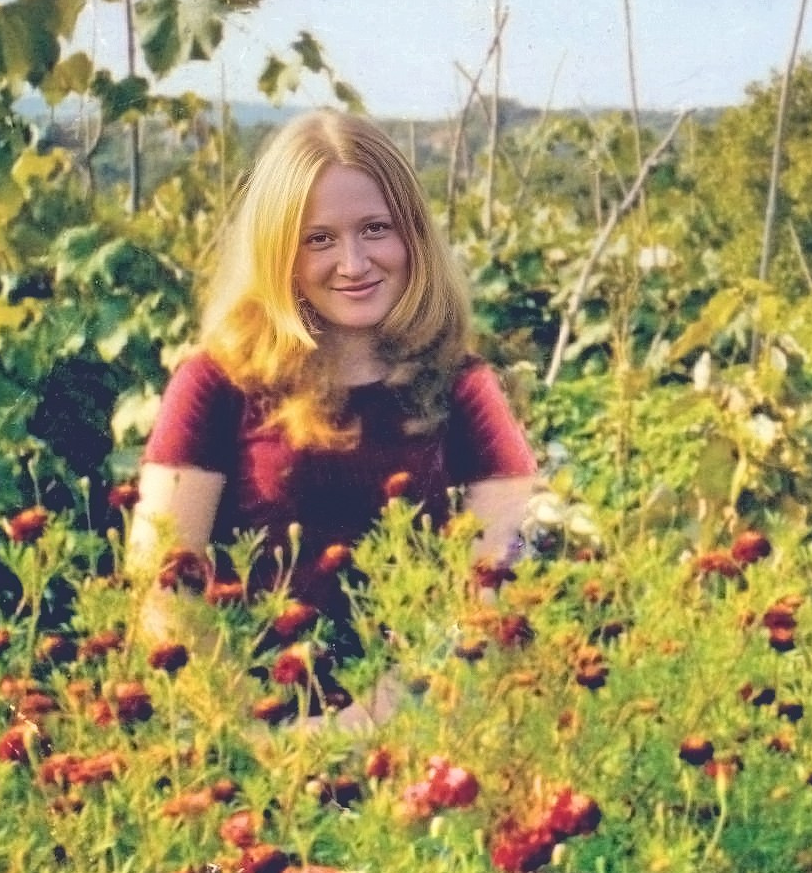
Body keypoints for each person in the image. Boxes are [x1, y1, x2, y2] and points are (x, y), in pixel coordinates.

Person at [127, 110, 539, 728]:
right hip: (241, 751)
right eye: (318, 239)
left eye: (375, 229)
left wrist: (364, 727)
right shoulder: (214, 384)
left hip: (420, 738)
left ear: (413, 238)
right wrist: (256, 737)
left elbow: (496, 588)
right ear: (278, 253)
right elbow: (163, 591)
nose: (353, 263)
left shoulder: (464, 386)